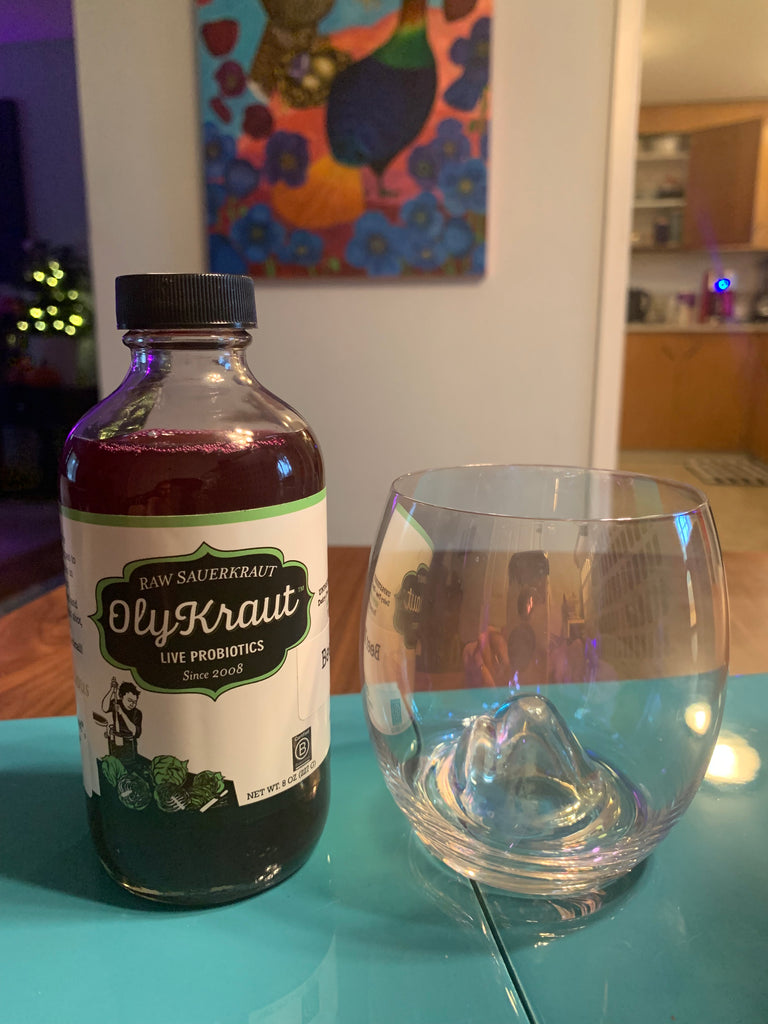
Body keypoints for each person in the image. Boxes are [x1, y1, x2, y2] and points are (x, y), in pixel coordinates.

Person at [102, 678, 143, 759]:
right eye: (129, 700)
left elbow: (134, 732)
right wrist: (112, 690)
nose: (132, 704)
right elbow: (104, 708)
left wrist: (121, 713)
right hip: (116, 740)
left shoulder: (137, 713)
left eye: (135, 702)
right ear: (121, 696)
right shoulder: (117, 703)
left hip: (129, 745)